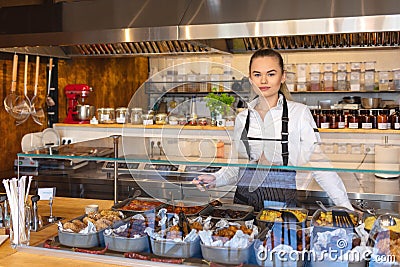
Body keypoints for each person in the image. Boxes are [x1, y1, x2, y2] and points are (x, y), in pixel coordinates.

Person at [192, 48, 353, 211]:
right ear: (250, 79)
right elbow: (236, 167)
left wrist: (345, 206)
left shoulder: (299, 114)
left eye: (271, 74)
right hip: (243, 205)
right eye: (257, 74)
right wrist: (215, 178)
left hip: (281, 204)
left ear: (282, 76)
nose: (263, 81)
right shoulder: (243, 118)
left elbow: (320, 166)